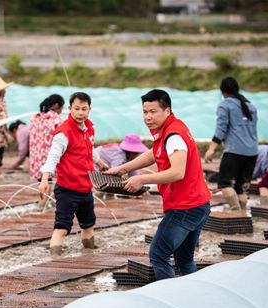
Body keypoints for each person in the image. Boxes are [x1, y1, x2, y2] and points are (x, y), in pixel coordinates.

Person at [106, 89, 211, 280]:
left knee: (158, 253)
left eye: (153, 112)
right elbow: (154, 153)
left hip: (185, 207)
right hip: (198, 204)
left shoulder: (174, 136)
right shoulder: (167, 129)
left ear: (167, 110)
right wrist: (123, 169)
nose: (148, 117)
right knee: (184, 259)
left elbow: (177, 172)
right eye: (145, 112)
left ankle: (168, 298)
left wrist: (141, 179)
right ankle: (195, 296)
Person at [38, 92, 108, 257]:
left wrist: (100, 163)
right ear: (69, 109)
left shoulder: (89, 129)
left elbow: (89, 150)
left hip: (85, 188)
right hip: (67, 189)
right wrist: (45, 179)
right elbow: (53, 156)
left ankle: (89, 254)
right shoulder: (64, 132)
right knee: (62, 228)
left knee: (88, 226)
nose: (80, 113)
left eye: (84, 109)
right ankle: (54, 258)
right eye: (76, 109)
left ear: (89, 110)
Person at [204, 76, 258, 211]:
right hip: (252, 152)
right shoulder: (250, 106)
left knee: (224, 184)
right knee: (241, 189)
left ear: (223, 91)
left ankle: (235, 213)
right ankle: (244, 215)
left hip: (235, 151)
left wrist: (211, 149)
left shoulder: (225, 104)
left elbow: (221, 128)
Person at [29, 94, 65, 181]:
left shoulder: (35, 118)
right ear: (56, 105)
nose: (61, 110)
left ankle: (44, 194)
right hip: (50, 158)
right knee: (49, 183)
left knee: (42, 183)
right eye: (61, 107)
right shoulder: (56, 120)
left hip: (37, 159)